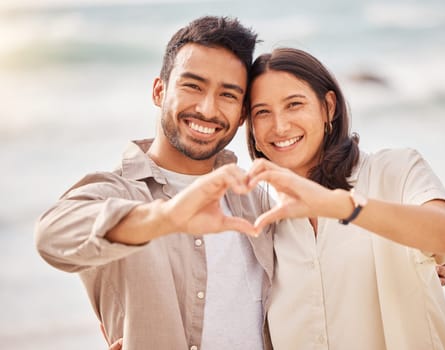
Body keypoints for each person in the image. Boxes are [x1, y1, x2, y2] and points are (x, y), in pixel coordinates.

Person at [34, 16, 274, 350]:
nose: (207, 108)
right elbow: (51, 236)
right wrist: (165, 218)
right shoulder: (118, 191)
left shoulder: (257, 201)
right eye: (193, 86)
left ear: (242, 113)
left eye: (228, 95)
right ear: (159, 91)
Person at [244, 47, 445, 349]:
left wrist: (339, 205)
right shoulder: (258, 217)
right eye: (262, 112)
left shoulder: (394, 170)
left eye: (294, 105)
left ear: (328, 107)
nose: (280, 126)